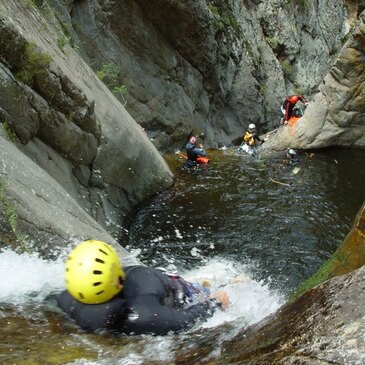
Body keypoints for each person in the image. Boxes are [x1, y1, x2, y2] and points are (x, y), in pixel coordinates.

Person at [57, 240, 229, 336]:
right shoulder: (65, 299)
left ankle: (217, 283)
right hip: (147, 281)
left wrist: (214, 302)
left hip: (174, 288)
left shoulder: (143, 312)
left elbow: (184, 320)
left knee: (207, 292)